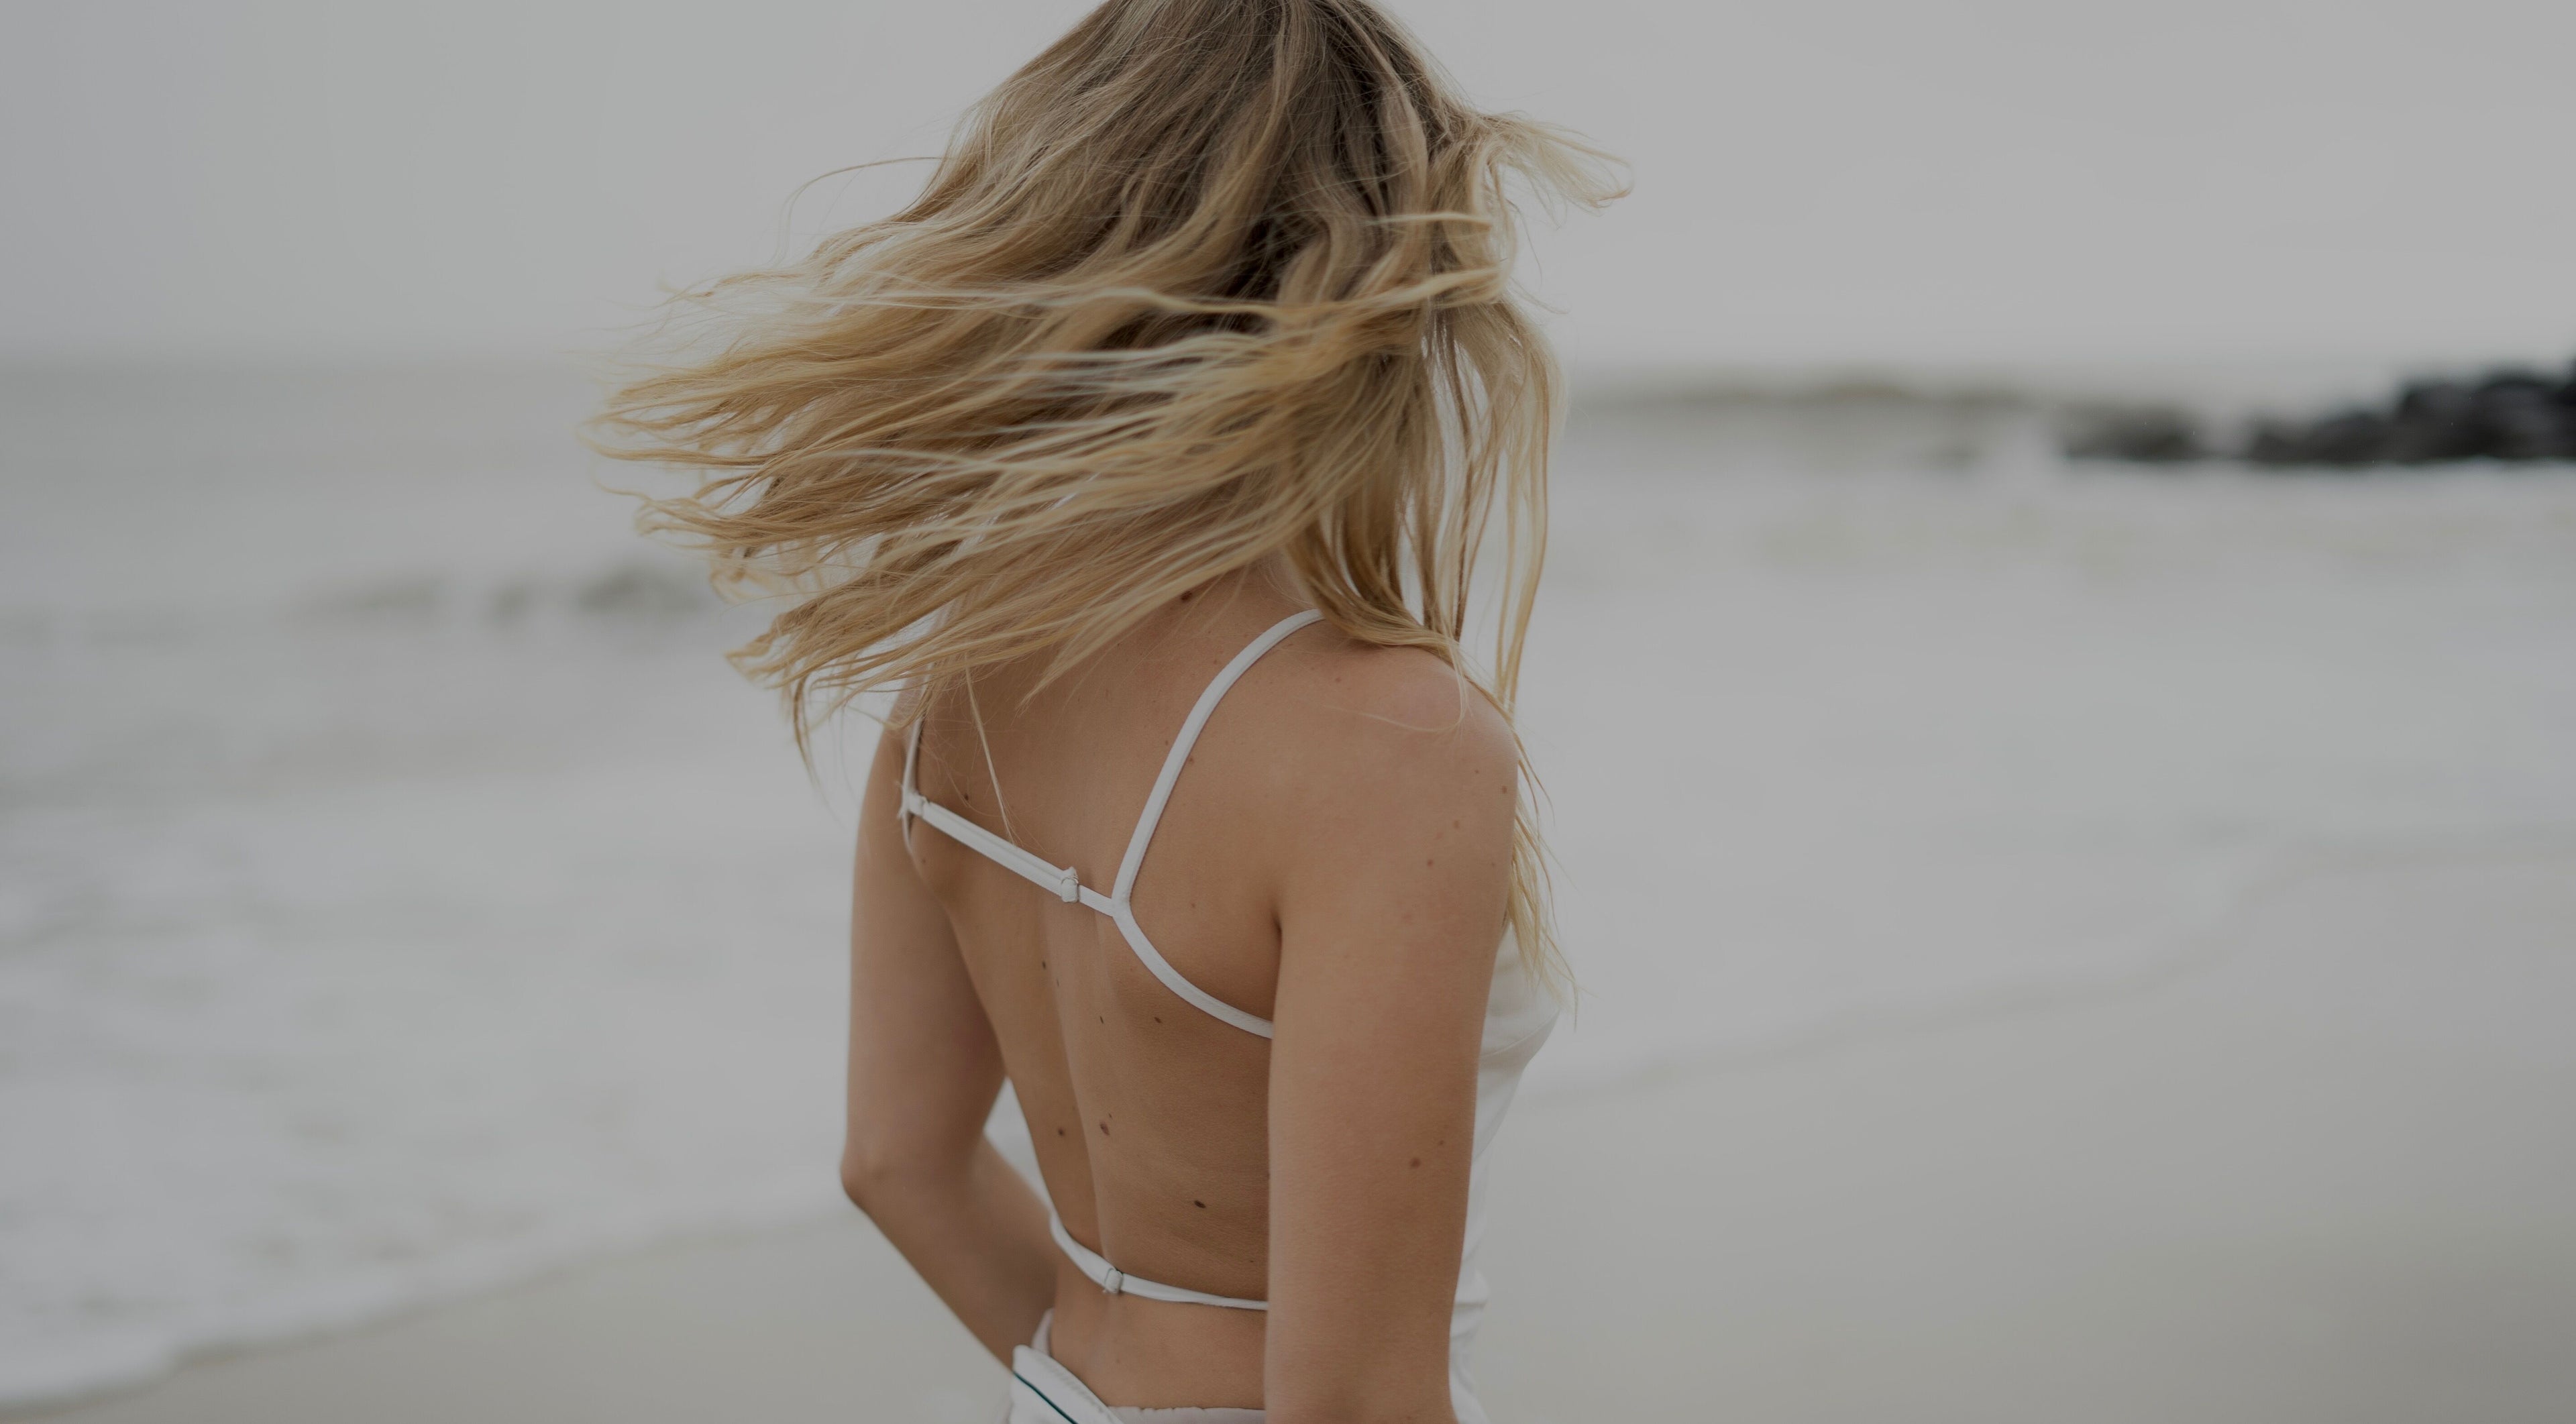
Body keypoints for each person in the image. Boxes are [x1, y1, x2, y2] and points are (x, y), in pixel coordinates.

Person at [592, 2, 1613, 1419]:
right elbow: (1356, 1400)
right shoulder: (1389, 747)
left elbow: (898, 1161)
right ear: (1375, 291)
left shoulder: (960, 686)